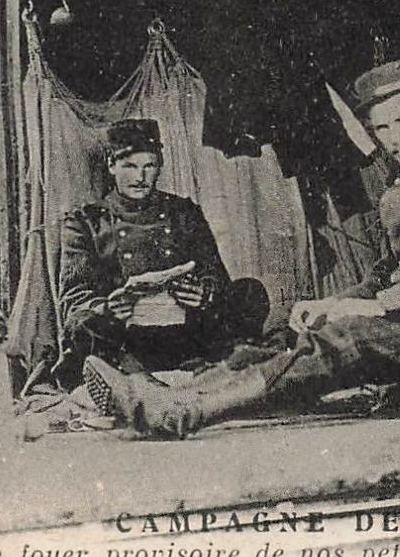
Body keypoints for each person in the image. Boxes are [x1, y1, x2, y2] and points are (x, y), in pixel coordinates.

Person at [84, 58, 400, 437]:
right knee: (296, 330)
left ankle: (188, 412)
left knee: (341, 340)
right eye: (381, 128)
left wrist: (369, 309)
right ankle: (172, 392)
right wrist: (332, 302)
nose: (393, 138)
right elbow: (388, 269)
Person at [57, 118, 268, 385]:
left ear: (160, 166)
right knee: (84, 324)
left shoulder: (184, 212)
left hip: (184, 333)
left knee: (249, 291)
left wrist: (204, 292)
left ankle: (221, 367)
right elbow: (74, 300)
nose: (140, 177)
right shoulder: (85, 221)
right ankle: (130, 380)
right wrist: (108, 307)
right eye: (129, 166)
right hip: (126, 338)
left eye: (149, 166)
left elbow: (215, 275)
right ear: (111, 166)